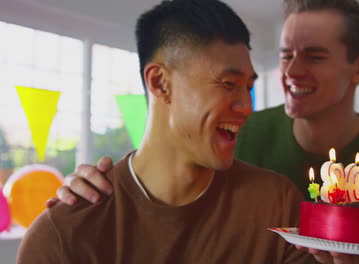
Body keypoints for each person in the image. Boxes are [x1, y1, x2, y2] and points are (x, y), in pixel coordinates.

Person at [51, 0, 359, 263]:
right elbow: (169, 158)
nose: (291, 73)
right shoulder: (237, 133)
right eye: (284, 55)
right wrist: (103, 186)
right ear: (159, 82)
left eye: (314, 56)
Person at [17, 0, 324, 263]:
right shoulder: (64, 234)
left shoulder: (276, 203)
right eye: (228, 84)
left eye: (249, 87)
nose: (246, 106)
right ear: (161, 83)